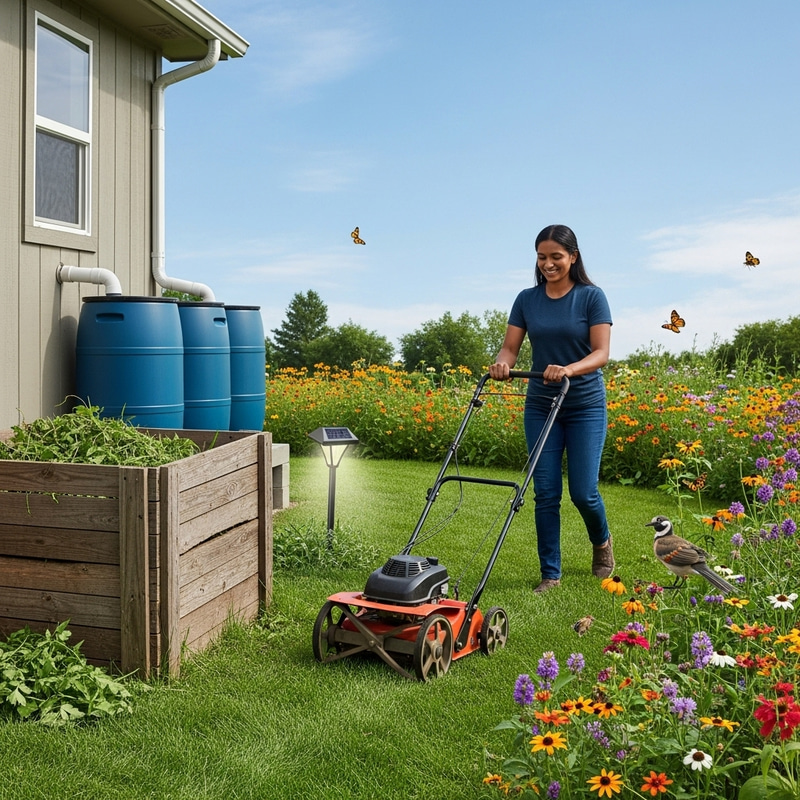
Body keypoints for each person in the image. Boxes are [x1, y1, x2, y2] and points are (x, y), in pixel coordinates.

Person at [488, 224, 613, 593]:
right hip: (542, 405)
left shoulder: (592, 297)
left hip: (584, 405)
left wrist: (568, 369)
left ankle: (602, 541)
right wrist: (502, 364)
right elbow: (510, 348)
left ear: (572, 257)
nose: (548, 264)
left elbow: (601, 353)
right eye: (542, 257)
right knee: (545, 490)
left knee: (583, 491)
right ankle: (550, 573)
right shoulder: (527, 299)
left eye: (556, 257)